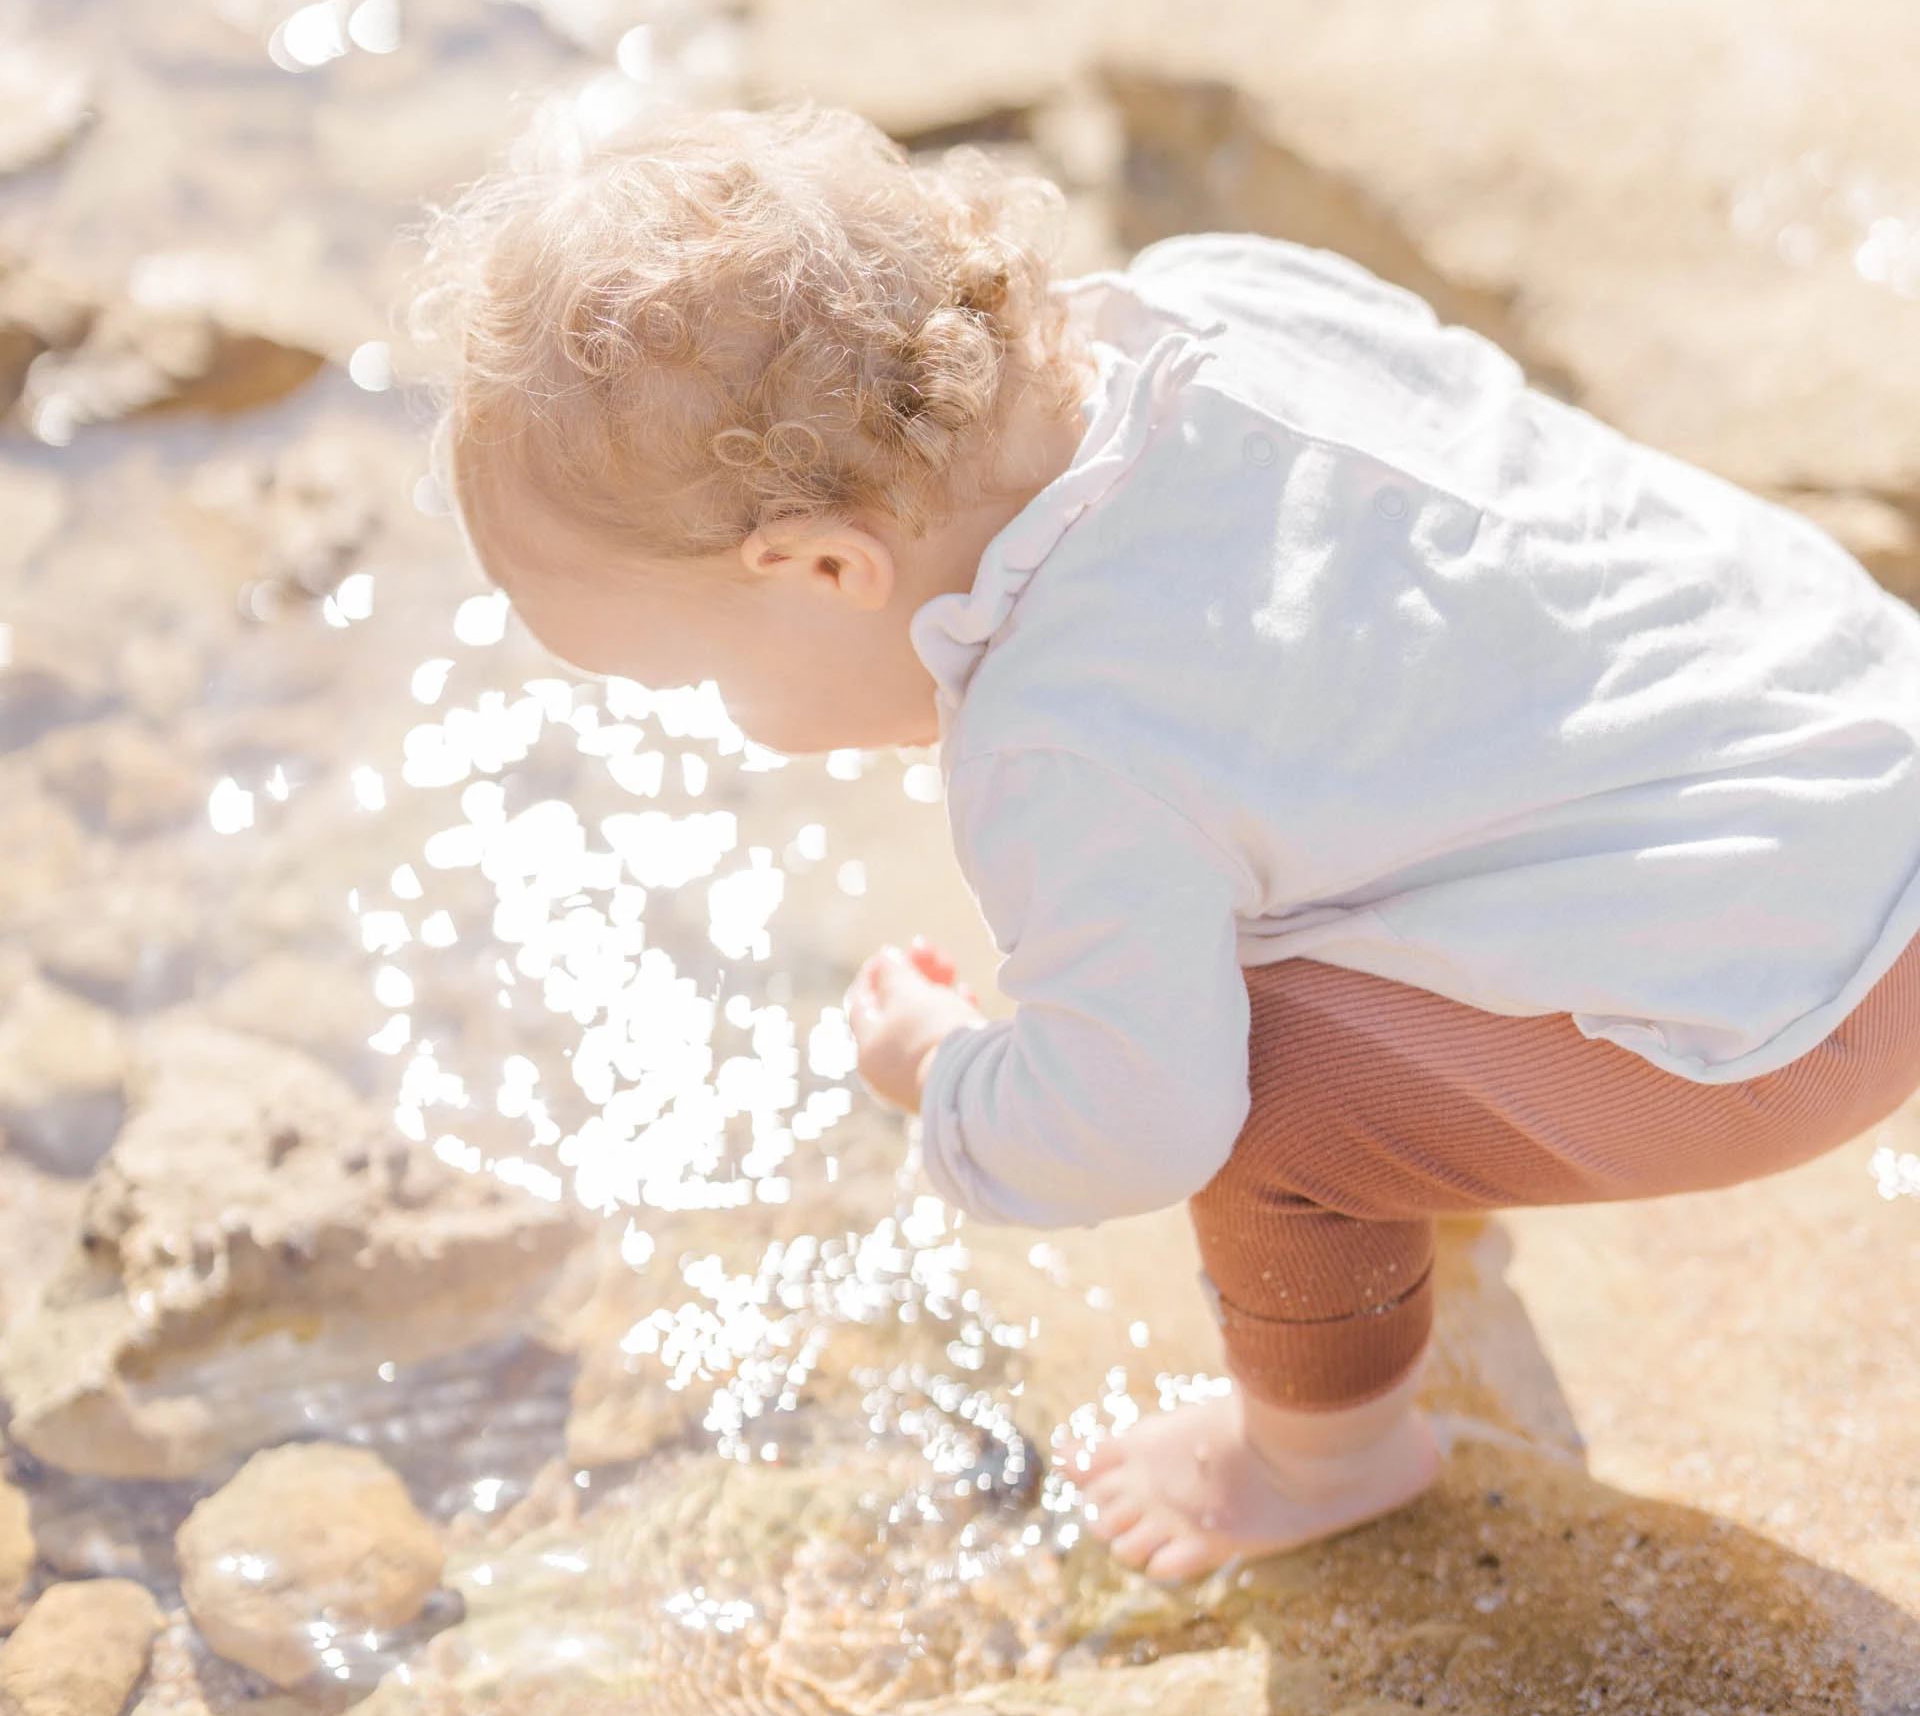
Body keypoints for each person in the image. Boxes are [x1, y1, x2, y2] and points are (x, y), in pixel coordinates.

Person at [419, 102, 1920, 1582]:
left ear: (822, 567)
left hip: (1804, 1008)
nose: (734, 727)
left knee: (1257, 1096)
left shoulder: (1059, 736)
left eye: (700, 682)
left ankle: (1327, 1460)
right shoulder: (1214, 291)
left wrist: (949, 1077)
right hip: (1861, 712)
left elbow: (1137, 1121)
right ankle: (1456, 1125)